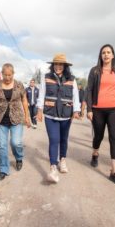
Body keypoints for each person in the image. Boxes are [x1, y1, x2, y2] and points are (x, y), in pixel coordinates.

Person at [86, 44, 115, 186]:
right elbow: (89, 90)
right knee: (98, 136)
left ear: (113, 55)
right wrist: (89, 109)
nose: (106, 55)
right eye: (103, 52)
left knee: (114, 138)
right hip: (98, 109)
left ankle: (114, 172)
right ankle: (95, 153)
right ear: (101, 55)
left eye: (108, 52)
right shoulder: (95, 71)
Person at [36, 53, 81, 183]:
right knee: (54, 139)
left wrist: (76, 110)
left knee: (63, 139)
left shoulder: (72, 79)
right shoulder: (46, 78)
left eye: (60, 64)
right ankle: (53, 168)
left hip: (66, 115)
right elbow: (41, 94)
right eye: (56, 64)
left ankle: (62, 160)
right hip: (50, 115)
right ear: (53, 65)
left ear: (65, 66)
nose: (58, 66)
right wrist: (39, 110)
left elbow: (75, 96)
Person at [0, 63, 31, 180]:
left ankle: (19, 157)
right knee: (2, 146)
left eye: (9, 75)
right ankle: (3, 169)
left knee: (16, 143)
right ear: (1, 74)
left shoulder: (19, 85)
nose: (7, 78)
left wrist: (27, 116)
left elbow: (24, 100)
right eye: (5, 75)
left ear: (13, 73)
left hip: (16, 119)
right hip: (1, 119)